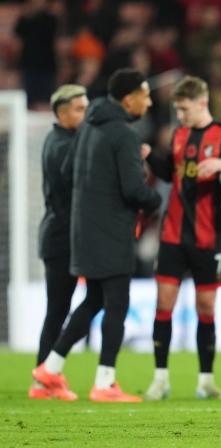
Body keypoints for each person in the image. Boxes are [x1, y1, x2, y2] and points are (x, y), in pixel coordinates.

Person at [33, 68, 162, 402]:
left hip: (84, 230)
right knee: (116, 304)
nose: (148, 102)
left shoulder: (88, 128)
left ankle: (50, 367)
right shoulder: (123, 134)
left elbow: (69, 173)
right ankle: (104, 383)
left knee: (93, 300)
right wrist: (155, 199)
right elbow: (133, 190)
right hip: (112, 231)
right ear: (128, 99)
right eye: (145, 95)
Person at [143, 75, 221, 400]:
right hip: (173, 234)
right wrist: (150, 155)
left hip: (209, 235)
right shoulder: (178, 134)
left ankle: (206, 381)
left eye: (185, 109)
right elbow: (170, 172)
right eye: (178, 109)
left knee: (206, 307)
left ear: (202, 103)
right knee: (164, 303)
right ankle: (160, 379)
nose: (180, 115)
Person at [30, 85, 89, 400]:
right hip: (60, 239)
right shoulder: (61, 145)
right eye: (80, 109)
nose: (85, 114)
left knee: (59, 310)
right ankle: (45, 377)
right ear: (62, 113)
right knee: (59, 310)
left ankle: (45, 377)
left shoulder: (61, 141)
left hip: (62, 237)